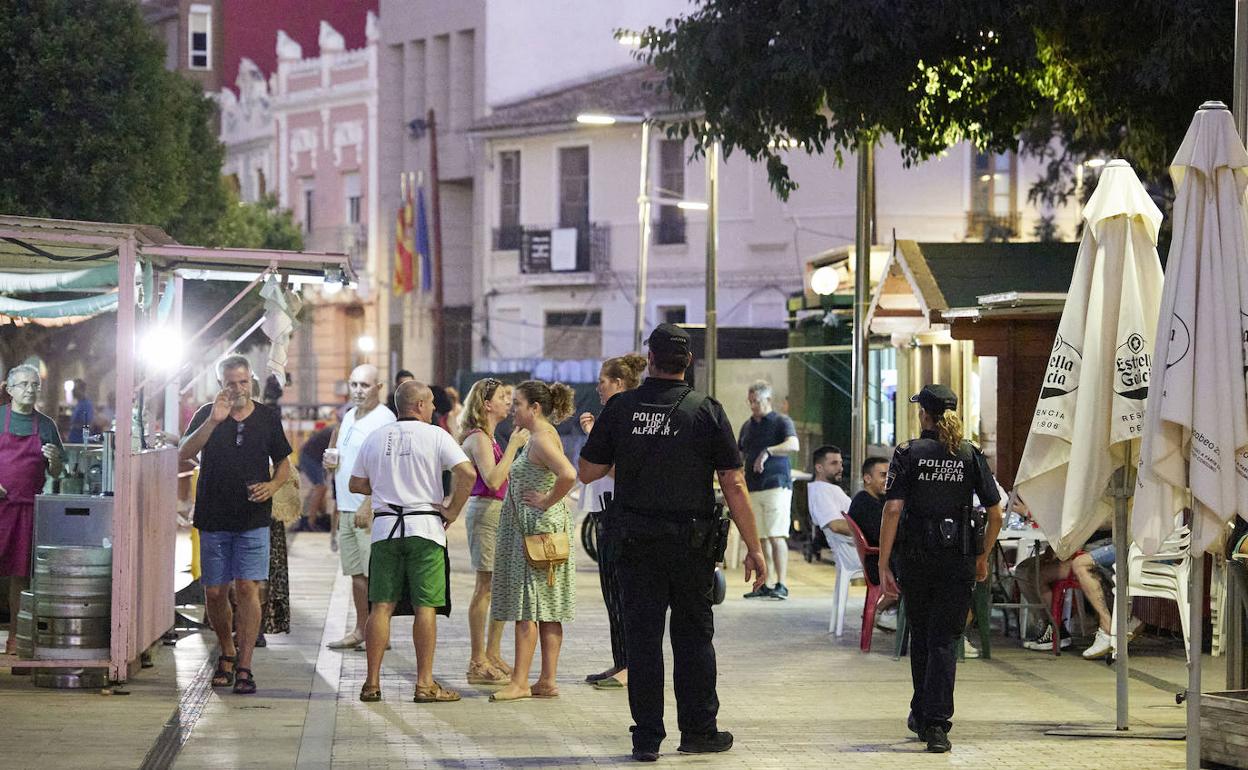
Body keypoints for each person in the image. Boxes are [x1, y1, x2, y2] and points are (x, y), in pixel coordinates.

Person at [579, 323, 768, 762]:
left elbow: (588, 470)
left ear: (650, 358)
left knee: (642, 642)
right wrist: (755, 548)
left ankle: (646, 738)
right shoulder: (706, 410)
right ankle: (699, 731)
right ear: (689, 363)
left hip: (635, 543)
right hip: (691, 545)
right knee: (694, 639)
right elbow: (734, 482)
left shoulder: (622, 408)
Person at [878, 384, 1003, 753]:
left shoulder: (907, 453)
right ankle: (935, 724)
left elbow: (893, 509)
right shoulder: (970, 454)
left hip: (916, 557)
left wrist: (883, 562)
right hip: (958, 558)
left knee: (921, 635)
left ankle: (922, 713)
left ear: (924, 415)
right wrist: (982, 555)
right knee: (945, 641)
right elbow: (995, 514)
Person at [349, 380, 475, 702]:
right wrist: (452, 510)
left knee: (381, 606)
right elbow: (468, 474)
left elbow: (355, 483)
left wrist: (385, 489)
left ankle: (372, 683)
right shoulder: (435, 436)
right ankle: (424, 684)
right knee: (425, 606)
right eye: (431, 402)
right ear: (419, 405)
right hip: (425, 531)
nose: (434, 408)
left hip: (386, 531)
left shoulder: (377, 437)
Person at [178, 354, 292, 695]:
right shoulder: (206, 414)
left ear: (251, 381)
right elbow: (183, 452)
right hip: (214, 515)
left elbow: (283, 463)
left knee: (247, 589)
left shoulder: (267, 418)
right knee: (215, 591)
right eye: (231, 383)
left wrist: (272, 486)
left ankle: (244, 664)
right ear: (220, 384)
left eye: (244, 382)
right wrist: (213, 421)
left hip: (253, 516)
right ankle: (225, 650)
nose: (239, 389)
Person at [489, 380, 579, 703]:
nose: (514, 410)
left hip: (537, 531)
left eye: (518, 404)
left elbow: (568, 474)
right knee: (547, 606)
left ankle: (520, 681)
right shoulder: (541, 436)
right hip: (538, 530)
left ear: (535, 409)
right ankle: (547, 680)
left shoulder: (540, 439)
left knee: (528, 607)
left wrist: (546, 500)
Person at [578, 353, 648, 690]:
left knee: (623, 596)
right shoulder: (613, 417)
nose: (598, 388)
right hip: (604, 515)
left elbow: (625, 469)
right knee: (611, 596)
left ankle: (631, 666)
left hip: (619, 515)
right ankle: (621, 661)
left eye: (603, 382)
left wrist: (594, 435)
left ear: (618, 384)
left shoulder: (626, 418)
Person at [457, 377, 529, 684]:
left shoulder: (491, 437)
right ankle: (477, 660)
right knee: (485, 586)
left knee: (498, 586)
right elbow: (494, 479)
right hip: (486, 513)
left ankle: (493, 652)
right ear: (486, 405)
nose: (508, 402)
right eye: (502, 397)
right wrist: (514, 446)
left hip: (498, 513)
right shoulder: (479, 439)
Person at [323, 364, 396, 651]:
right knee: (356, 574)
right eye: (354, 385)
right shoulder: (349, 415)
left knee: (375, 574)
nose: (358, 391)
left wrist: (369, 503)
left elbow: (387, 467)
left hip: (371, 508)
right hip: (347, 506)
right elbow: (346, 459)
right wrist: (331, 463)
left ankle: (380, 634)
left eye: (365, 385)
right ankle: (361, 629)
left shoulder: (385, 419)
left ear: (379, 387)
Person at [1, 365, 65, 655]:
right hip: (1, 506)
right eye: (24, 384)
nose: (30, 389)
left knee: (20, 576)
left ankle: (15, 637)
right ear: (9, 388)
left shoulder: (47, 425)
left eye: (34, 384)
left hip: (28, 509)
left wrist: (53, 460)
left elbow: (57, 472)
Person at [738, 380, 799, 599]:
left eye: (758, 401)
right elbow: (740, 453)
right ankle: (765, 582)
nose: (754, 405)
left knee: (776, 535)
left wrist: (768, 451)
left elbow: (793, 444)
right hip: (753, 486)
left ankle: (781, 584)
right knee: (760, 538)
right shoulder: (747, 426)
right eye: (751, 401)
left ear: (768, 400)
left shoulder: (781, 421)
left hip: (775, 484)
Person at [294, 424, 334, 532]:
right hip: (310, 458)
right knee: (321, 487)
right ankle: (310, 522)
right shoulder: (337, 432)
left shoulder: (335, 429)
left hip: (312, 457)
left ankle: (320, 517)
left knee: (321, 488)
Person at [68, 379, 93, 443]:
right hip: (73, 438)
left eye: (75, 389)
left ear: (81, 390)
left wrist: (74, 425)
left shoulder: (86, 404)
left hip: (80, 440)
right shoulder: (78, 404)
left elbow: (87, 423)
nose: (73, 391)